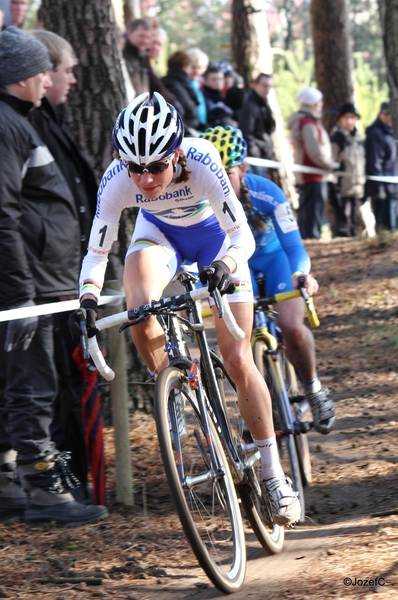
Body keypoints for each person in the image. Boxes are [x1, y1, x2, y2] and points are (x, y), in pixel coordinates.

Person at [69, 92, 301, 526]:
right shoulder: (117, 179)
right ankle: (172, 388)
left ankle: (273, 474)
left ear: (176, 155)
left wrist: (225, 266)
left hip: (217, 243)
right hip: (161, 238)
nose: (145, 179)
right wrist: (86, 300)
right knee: (139, 303)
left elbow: (243, 239)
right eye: (135, 166)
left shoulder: (204, 160)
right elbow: (97, 253)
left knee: (237, 357)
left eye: (156, 166)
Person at [0, 26, 108, 526]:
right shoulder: (6, 126)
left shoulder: (20, 121)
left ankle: (10, 482)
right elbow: (3, 215)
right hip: (31, 285)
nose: (47, 78)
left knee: (25, 382)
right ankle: (44, 487)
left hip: (43, 279)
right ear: (17, 76)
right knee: (33, 385)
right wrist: (21, 295)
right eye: (39, 69)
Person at [203, 125, 336, 436]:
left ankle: (314, 388)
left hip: (276, 261)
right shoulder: (201, 203)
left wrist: (301, 274)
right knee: (240, 348)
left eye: (228, 173)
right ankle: (257, 412)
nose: (220, 182)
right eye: (214, 174)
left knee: (291, 327)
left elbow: (294, 245)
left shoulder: (268, 193)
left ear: (243, 169)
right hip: (237, 268)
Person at [28, 30, 100, 504]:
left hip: (70, 268)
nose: (73, 80)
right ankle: (62, 477)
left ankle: (81, 475)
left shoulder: (54, 120)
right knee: (53, 381)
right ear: (45, 73)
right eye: (67, 70)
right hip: (46, 273)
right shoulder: (28, 124)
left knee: (73, 376)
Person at [287, 86, 335, 240]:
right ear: (313, 104)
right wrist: (331, 165)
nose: (321, 105)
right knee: (311, 216)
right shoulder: (307, 123)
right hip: (312, 176)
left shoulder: (308, 121)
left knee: (311, 214)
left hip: (314, 176)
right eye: (319, 102)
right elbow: (314, 152)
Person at [329, 102, 365, 237]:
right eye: (346, 117)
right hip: (342, 187)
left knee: (354, 219)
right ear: (340, 119)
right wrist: (333, 187)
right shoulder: (337, 138)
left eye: (352, 117)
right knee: (343, 219)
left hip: (357, 186)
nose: (349, 121)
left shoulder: (359, 138)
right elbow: (332, 163)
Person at [365, 101, 398, 232]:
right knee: (386, 227)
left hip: (392, 187)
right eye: (386, 114)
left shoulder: (389, 133)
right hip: (383, 189)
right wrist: (379, 188)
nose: (389, 117)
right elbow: (374, 162)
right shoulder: (375, 134)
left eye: (391, 114)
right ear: (380, 114)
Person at [238, 73, 276, 163]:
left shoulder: (263, 103)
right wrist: (255, 153)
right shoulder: (250, 105)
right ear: (255, 85)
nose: (267, 90)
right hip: (255, 158)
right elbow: (246, 133)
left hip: (263, 155)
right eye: (264, 86)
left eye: (270, 86)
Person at [161, 50, 200, 135]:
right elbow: (187, 109)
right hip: (185, 131)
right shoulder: (177, 85)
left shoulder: (165, 82)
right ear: (185, 66)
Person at [186, 47, 209, 131]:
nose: (196, 71)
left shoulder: (196, 84)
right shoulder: (185, 84)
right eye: (193, 67)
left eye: (199, 68)